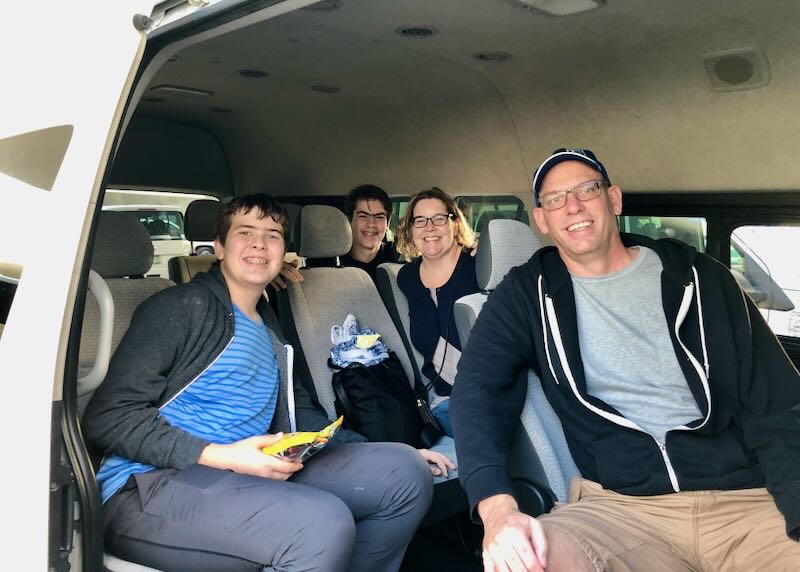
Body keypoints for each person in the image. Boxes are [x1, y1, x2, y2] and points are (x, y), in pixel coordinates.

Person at [450, 148, 800, 571]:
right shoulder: (526, 294)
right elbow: (477, 390)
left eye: (586, 189)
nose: (573, 206)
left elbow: (778, 403)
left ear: (613, 199)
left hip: (745, 501)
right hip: (616, 509)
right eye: (555, 198)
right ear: (542, 220)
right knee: (523, 563)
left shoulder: (702, 278)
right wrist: (497, 509)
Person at [83, 194, 434, 572]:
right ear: (217, 246)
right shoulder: (182, 307)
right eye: (244, 232)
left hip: (247, 471)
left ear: (284, 252)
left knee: (405, 472)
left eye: (272, 235)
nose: (259, 244)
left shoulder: (269, 326)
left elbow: (301, 413)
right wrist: (225, 455)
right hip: (148, 486)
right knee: (319, 525)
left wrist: (381, 450)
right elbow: (109, 417)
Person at [396, 187, 479, 438]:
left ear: (455, 223)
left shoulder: (480, 265)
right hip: (444, 400)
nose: (429, 228)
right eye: (419, 220)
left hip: (490, 392)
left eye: (439, 219)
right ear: (410, 230)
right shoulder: (407, 277)